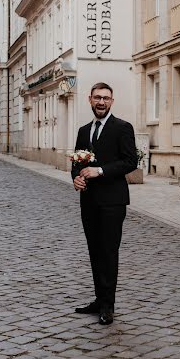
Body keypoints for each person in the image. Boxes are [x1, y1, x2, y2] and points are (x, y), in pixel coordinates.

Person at [72, 82, 137, 325]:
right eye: (97, 98)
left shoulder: (123, 128)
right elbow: (77, 163)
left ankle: (108, 307)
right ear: (90, 99)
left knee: (108, 252)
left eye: (106, 98)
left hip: (113, 202)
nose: (101, 102)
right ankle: (99, 300)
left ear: (112, 101)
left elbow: (130, 162)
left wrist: (99, 170)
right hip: (88, 201)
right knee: (94, 251)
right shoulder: (83, 130)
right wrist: (76, 179)